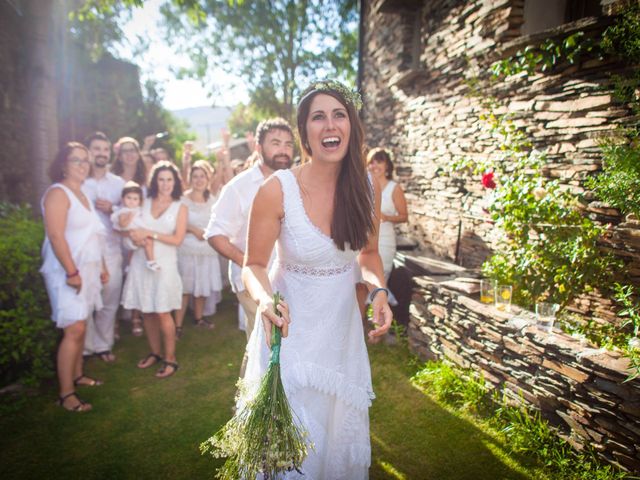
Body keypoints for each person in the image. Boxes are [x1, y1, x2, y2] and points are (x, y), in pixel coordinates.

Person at [241, 80, 393, 478]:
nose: (330, 125)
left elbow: (369, 253)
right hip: (289, 328)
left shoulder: (367, 186)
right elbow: (253, 264)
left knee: (333, 433)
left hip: (340, 332)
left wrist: (377, 289)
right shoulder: (277, 190)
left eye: (339, 114)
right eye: (318, 117)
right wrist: (265, 301)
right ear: (304, 131)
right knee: (288, 442)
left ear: (352, 125)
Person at [204, 117, 294, 373]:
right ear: (258, 146)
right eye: (275, 143)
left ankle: (277, 400)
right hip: (252, 284)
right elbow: (214, 234)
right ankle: (250, 403)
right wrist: (249, 262)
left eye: (288, 144)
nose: (283, 150)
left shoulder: (294, 183)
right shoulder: (239, 187)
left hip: (288, 279)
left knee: (282, 343)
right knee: (261, 344)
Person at [40, 142, 109, 412]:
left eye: (85, 160)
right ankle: (66, 394)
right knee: (74, 328)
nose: (83, 165)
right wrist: (72, 271)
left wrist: (102, 266)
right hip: (67, 272)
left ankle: (78, 375)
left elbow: (93, 234)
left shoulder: (82, 193)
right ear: (63, 165)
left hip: (88, 269)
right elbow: (56, 236)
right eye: (76, 160)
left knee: (83, 324)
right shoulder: (58, 193)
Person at [120, 161, 187, 378]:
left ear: (175, 181)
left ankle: (171, 359)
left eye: (169, 179)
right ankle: (155, 353)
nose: (165, 184)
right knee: (146, 310)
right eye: (161, 179)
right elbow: (130, 229)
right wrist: (135, 239)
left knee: (162, 311)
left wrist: (149, 233)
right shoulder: (144, 202)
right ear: (154, 181)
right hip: (141, 262)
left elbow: (177, 239)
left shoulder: (180, 206)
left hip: (164, 266)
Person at [81, 132, 125, 362]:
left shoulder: (119, 184)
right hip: (86, 252)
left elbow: (130, 214)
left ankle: (103, 345)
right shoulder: (79, 183)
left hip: (112, 249)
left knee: (109, 299)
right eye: (96, 148)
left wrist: (113, 210)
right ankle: (87, 347)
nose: (101, 153)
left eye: (105, 149)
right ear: (88, 152)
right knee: (87, 300)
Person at [174, 161, 223, 338]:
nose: (199, 180)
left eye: (202, 176)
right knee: (185, 287)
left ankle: (198, 318)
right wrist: (193, 229)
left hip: (206, 249)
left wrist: (208, 233)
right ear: (190, 179)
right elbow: (175, 223)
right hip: (187, 247)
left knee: (202, 284)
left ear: (207, 179)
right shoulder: (182, 199)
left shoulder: (212, 200)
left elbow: (217, 221)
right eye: (195, 176)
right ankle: (177, 326)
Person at [112, 136, 147, 335]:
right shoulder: (113, 179)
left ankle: (136, 317)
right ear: (119, 155)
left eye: (133, 150)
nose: (129, 154)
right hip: (117, 236)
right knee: (116, 278)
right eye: (125, 150)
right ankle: (115, 321)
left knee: (137, 274)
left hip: (139, 234)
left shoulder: (145, 178)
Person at [367, 147, 408, 305]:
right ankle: (363, 327)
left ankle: (381, 324)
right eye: (371, 162)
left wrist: (386, 217)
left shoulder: (394, 188)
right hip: (364, 242)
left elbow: (404, 216)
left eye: (379, 162)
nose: (374, 165)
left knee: (377, 283)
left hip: (384, 242)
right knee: (361, 285)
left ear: (387, 166)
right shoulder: (365, 187)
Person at [111, 181, 161, 271]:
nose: (131, 201)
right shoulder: (123, 211)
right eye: (128, 198)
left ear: (140, 201)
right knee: (147, 243)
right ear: (123, 199)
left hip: (137, 233)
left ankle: (131, 265)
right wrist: (129, 217)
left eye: (135, 199)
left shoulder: (138, 210)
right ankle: (151, 261)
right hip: (129, 236)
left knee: (142, 246)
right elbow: (122, 224)